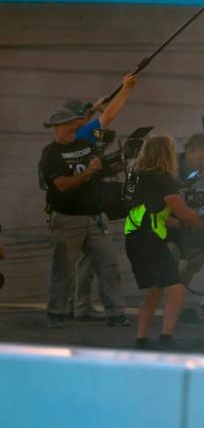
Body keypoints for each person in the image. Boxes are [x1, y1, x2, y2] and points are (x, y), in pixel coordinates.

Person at [124, 135, 204, 349]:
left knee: (154, 292)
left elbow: (143, 209)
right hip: (151, 240)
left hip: (134, 238)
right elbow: (185, 214)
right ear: (166, 154)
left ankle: (141, 339)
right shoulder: (164, 179)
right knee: (176, 290)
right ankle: (165, 338)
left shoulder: (134, 178)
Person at [39, 107, 127, 327]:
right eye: (68, 124)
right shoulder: (50, 153)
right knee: (63, 268)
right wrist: (89, 172)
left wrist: (115, 165)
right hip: (68, 218)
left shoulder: (86, 146)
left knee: (108, 264)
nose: (73, 127)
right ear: (56, 128)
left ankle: (115, 313)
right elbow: (63, 185)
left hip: (93, 217)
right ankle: (56, 313)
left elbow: (98, 172)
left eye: (74, 123)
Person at [60, 73, 138, 321]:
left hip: (83, 205)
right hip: (84, 208)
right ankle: (83, 307)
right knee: (95, 262)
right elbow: (109, 116)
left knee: (86, 261)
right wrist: (126, 89)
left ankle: (80, 307)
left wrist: (95, 108)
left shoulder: (78, 134)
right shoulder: (81, 133)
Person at [171, 132, 204, 321]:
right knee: (171, 257)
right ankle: (173, 304)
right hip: (167, 222)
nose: (202, 163)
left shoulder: (203, 171)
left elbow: (203, 198)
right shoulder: (171, 168)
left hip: (187, 222)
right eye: (200, 158)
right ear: (188, 151)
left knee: (197, 257)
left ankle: (177, 300)